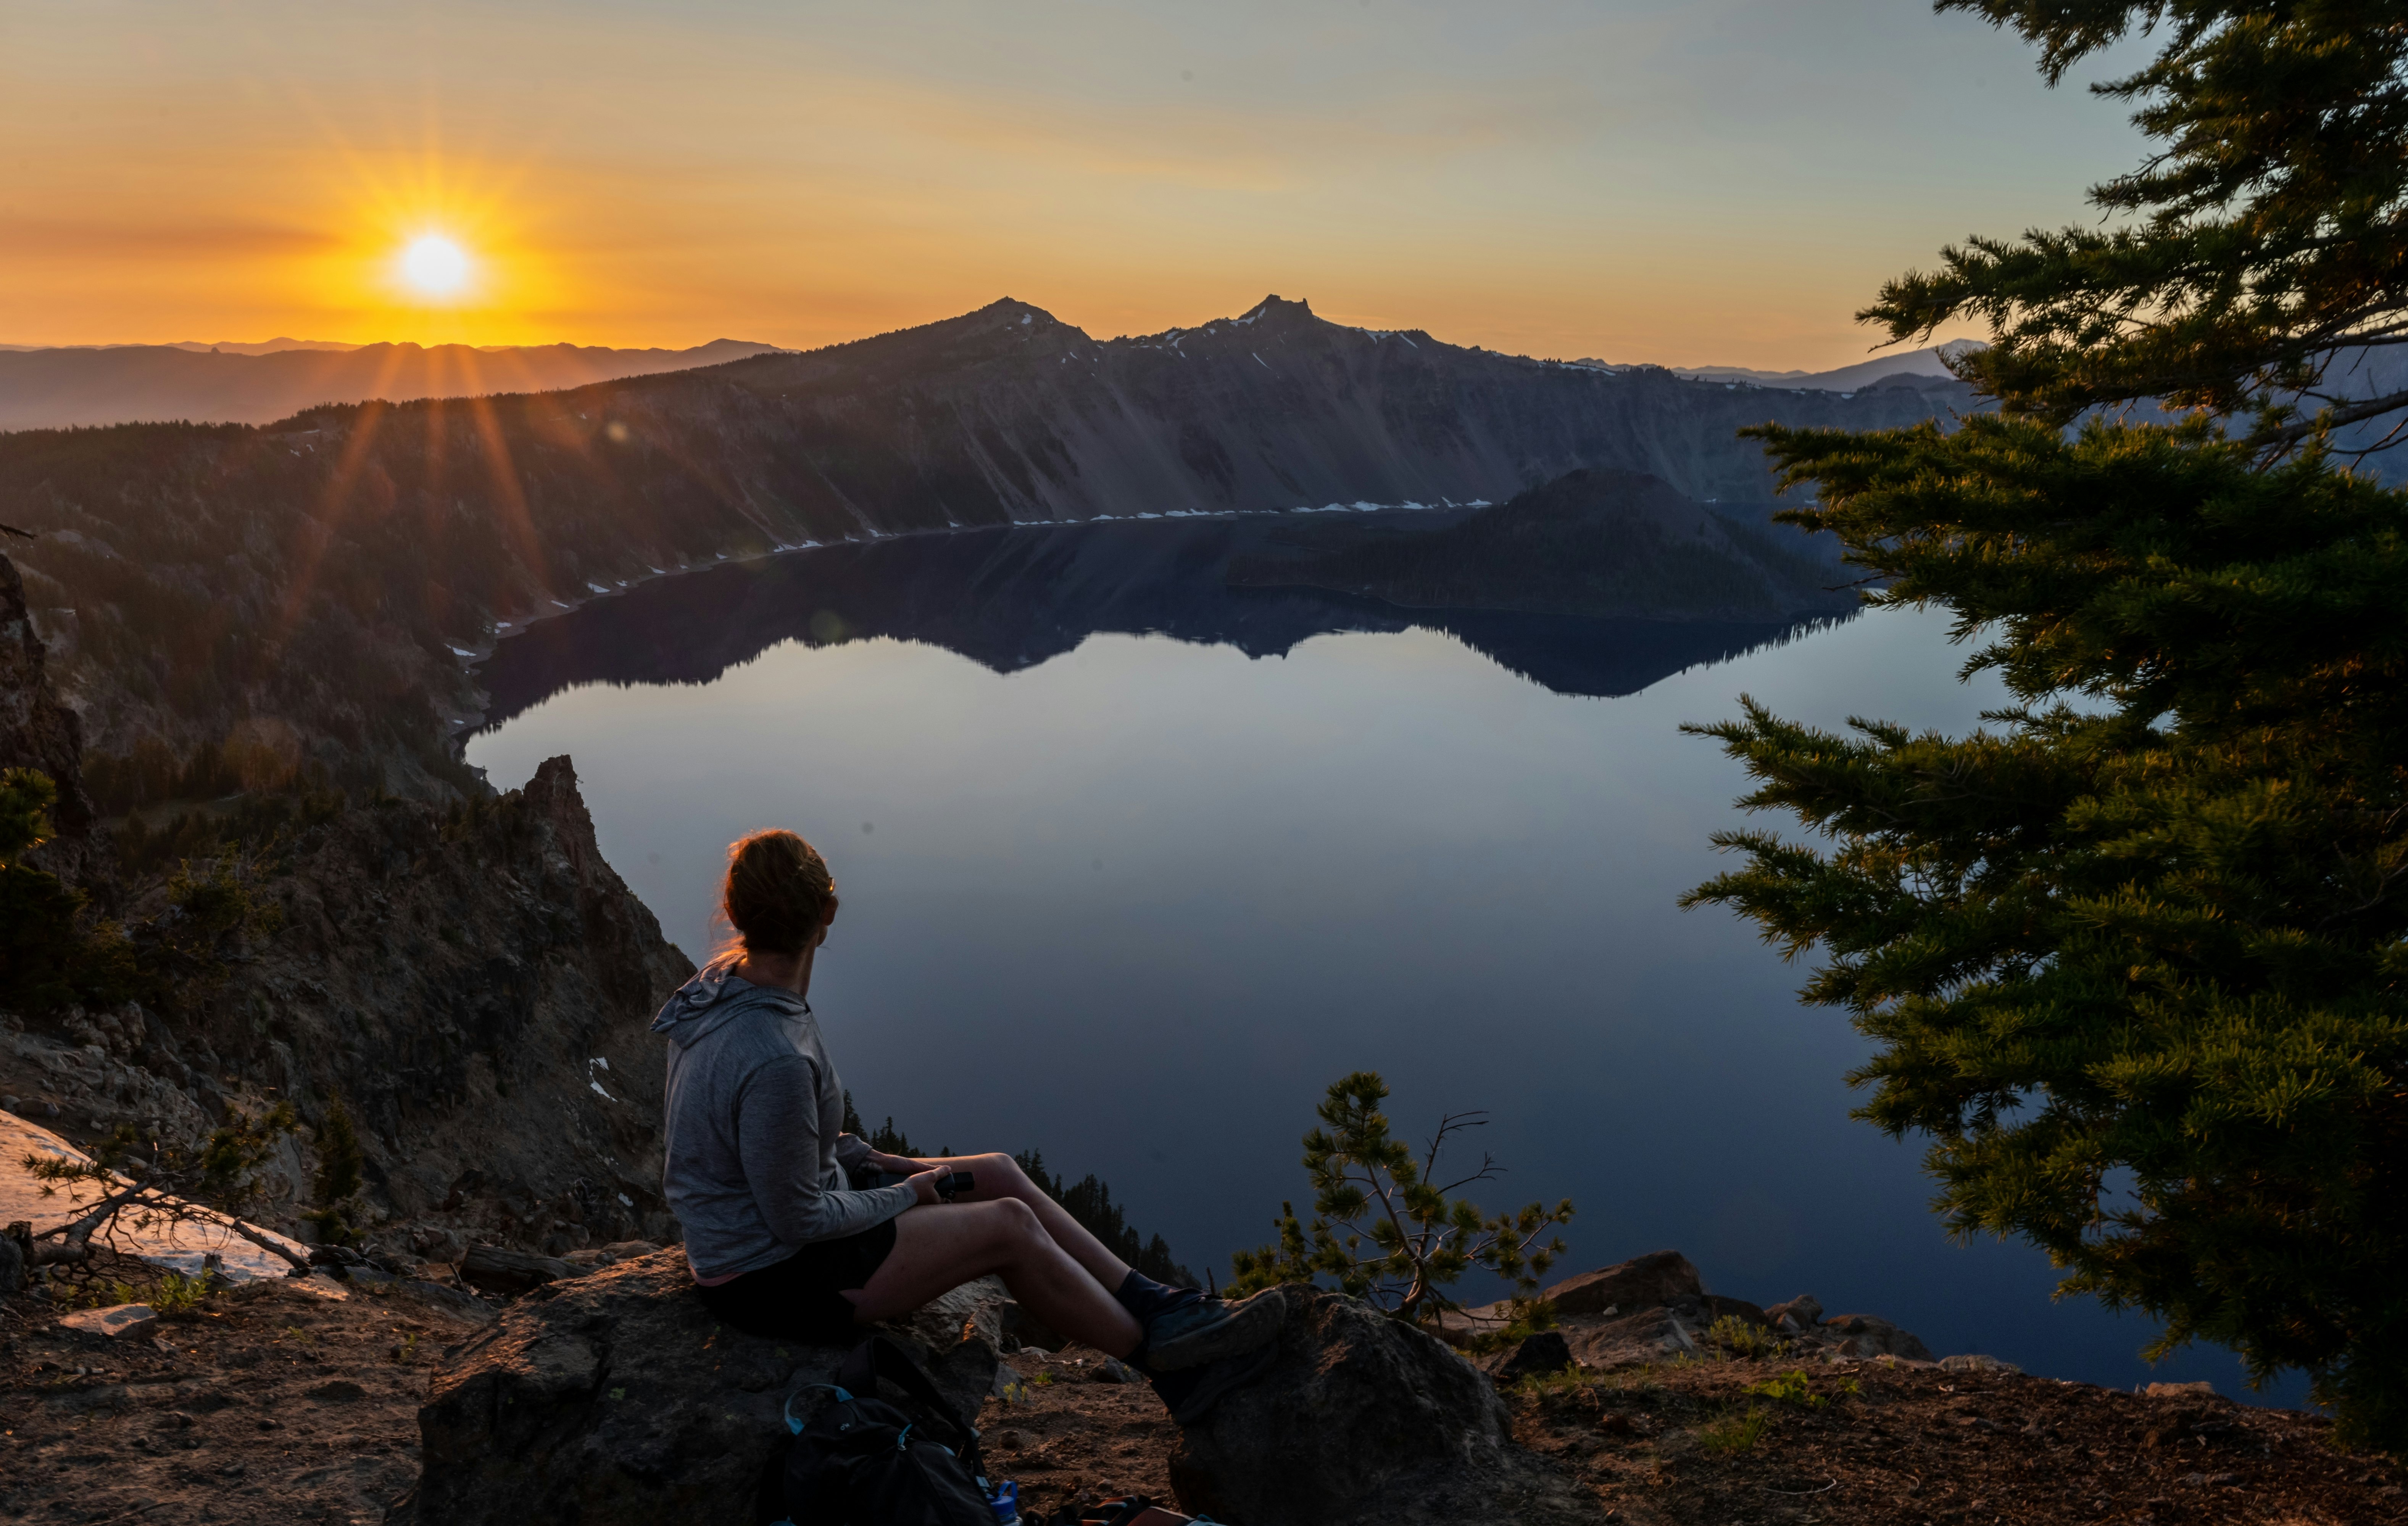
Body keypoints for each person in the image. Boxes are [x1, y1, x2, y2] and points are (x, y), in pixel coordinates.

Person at [653, 827, 1281, 1423]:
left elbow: (775, 1138)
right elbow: (798, 1218)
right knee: (1008, 1228)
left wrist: (869, 1157)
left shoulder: (719, 988)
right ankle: (1174, 1370)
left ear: (737, 915)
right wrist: (906, 1193)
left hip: (774, 1232)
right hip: (772, 1276)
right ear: (829, 913)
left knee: (999, 1173)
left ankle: (1157, 1305)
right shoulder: (775, 1055)